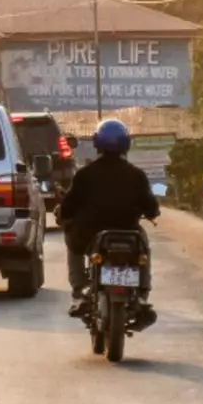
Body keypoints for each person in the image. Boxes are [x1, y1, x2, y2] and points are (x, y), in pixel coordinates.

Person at [59, 118, 161, 324]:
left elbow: (68, 207)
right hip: (129, 233)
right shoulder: (137, 175)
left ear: (97, 144)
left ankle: (79, 291)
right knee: (143, 248)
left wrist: (63, 215)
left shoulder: (85, 174)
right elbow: (151, 208)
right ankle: (142, 294)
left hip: (90, 235)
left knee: (71, 240)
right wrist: (151, 213)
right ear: (126, 144)